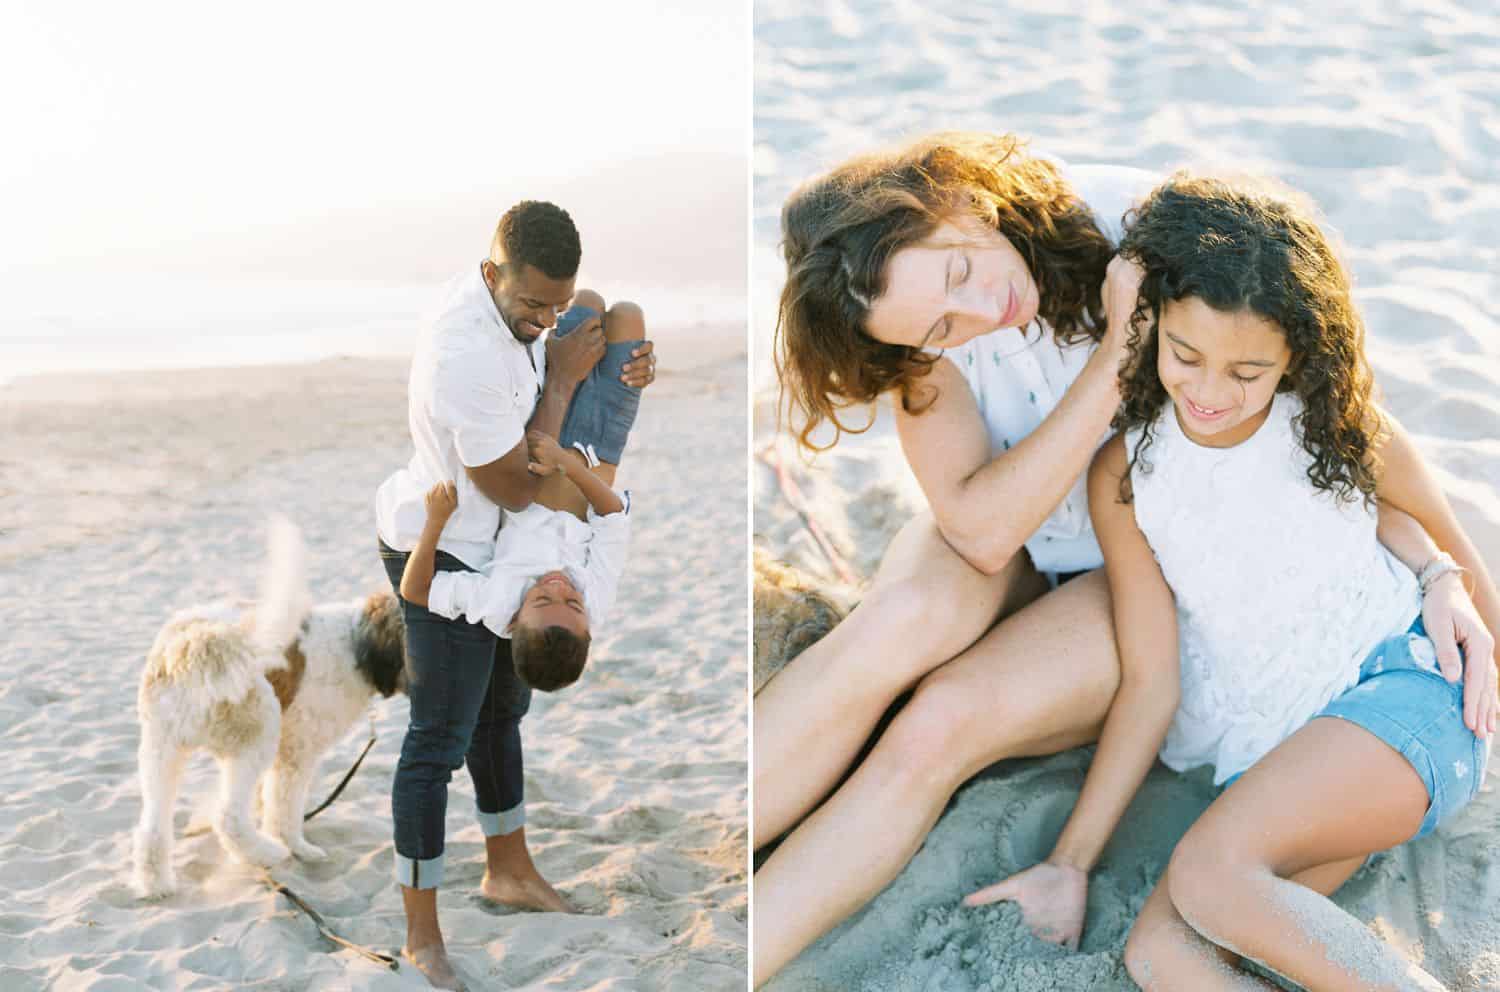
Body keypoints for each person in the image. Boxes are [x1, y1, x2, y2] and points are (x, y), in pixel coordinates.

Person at [752, 134, 1496, 986]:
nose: (978, 314)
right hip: (1020, 520)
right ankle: (737, 894)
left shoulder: (1147, 236)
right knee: (905, 621)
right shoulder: (917, 331)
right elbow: (981, 530)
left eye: (959, 275)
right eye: (938, 329)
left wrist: (1448, 577)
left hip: (1150, 557)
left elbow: (1346, 439)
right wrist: (1115, 356)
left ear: (955, 196)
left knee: (938, 723)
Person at [984, 172, 1498, 990]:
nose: (1211, 392)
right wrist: (1070, 863)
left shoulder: (1339, 425)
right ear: (1149, 325)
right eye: (1186, 356)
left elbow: (1456, 553)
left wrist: (1446, 583)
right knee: (1161, 954)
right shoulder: (1126, 473)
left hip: (1407, 695)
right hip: (1293, 763)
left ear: (1297, 351)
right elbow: (1152, 683)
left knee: (1209, 874)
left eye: (1248, 372)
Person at [374, 201, 655, 990]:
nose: (546, 318)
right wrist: (565, 379)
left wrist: (615, 364)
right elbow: (516, 487)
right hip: (455, 545)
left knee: (503, 713)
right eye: (533, 305)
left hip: (498, 540)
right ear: (491, 275)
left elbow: (581, 339)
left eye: (556, 303)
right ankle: (422, 937)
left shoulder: (527, 310)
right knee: (437, 741)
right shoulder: (462, 354)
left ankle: (509, 870)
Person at [398, 299, 643, 693]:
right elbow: (613, 514)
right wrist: (570, 466)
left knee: (589, 306)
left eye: (543, 601)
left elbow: (415, 590)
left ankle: (545, 343)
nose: (560, 589)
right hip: (602, 445)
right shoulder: (597, 602)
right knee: (628, 316)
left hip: (549, 432)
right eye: (573, 604)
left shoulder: (495, 602)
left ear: (514, 622)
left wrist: (435, 522)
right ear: (588, 628)